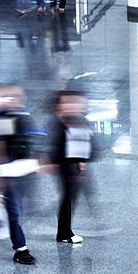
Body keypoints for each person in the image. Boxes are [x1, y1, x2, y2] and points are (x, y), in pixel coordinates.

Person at [0, 85, 38, 265]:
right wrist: (4, 176)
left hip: (22, 170)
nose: (13, 99)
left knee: (18, 210)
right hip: (10, 172)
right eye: (7, 97)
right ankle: (21, 249)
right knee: (14, 212)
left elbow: (29, 142)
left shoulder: (23, 116)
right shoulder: (2, 118)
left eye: (16, 96)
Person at [50, 90, 93, 244]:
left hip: (70, 164)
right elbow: (57, 146)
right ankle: (65, 233)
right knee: (68, 198)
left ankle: (64, 232)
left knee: (69, 198)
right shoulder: (58, 122)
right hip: (65, 166)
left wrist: (81, 159)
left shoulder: (70, 119)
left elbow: (76, 141)